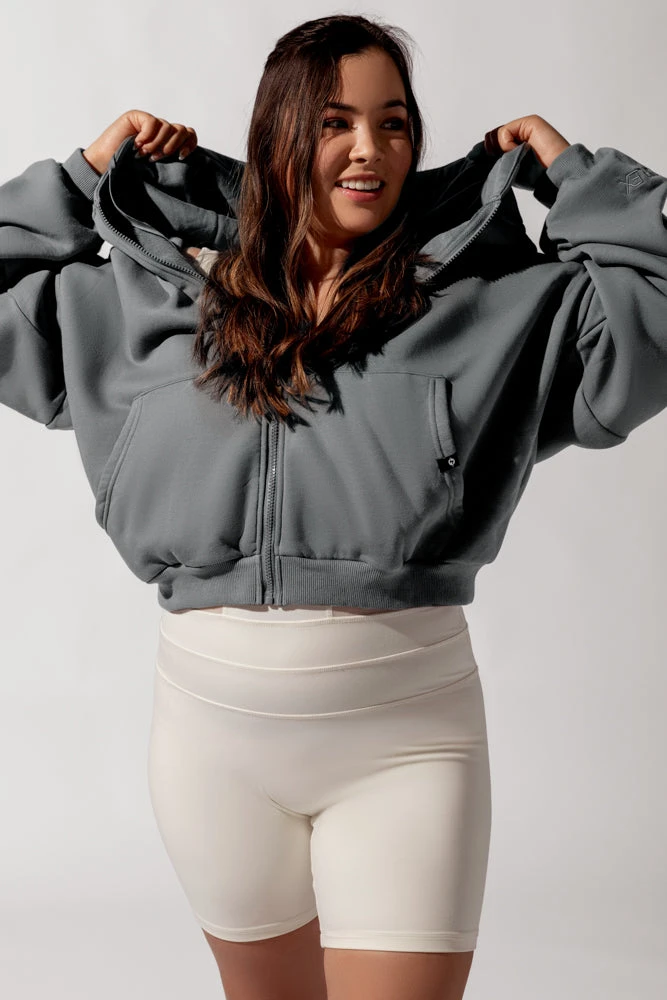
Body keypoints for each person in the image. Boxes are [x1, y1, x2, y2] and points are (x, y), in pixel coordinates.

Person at [2, 12, 667, 1000]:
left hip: (407, 747)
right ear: (277, 135)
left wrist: (574, 175)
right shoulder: (142, 300)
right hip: (210, 753)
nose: (370, 148)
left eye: (393, 123)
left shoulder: (490, 304)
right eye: (334, 122)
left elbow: (655, 309)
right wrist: (84, 171)